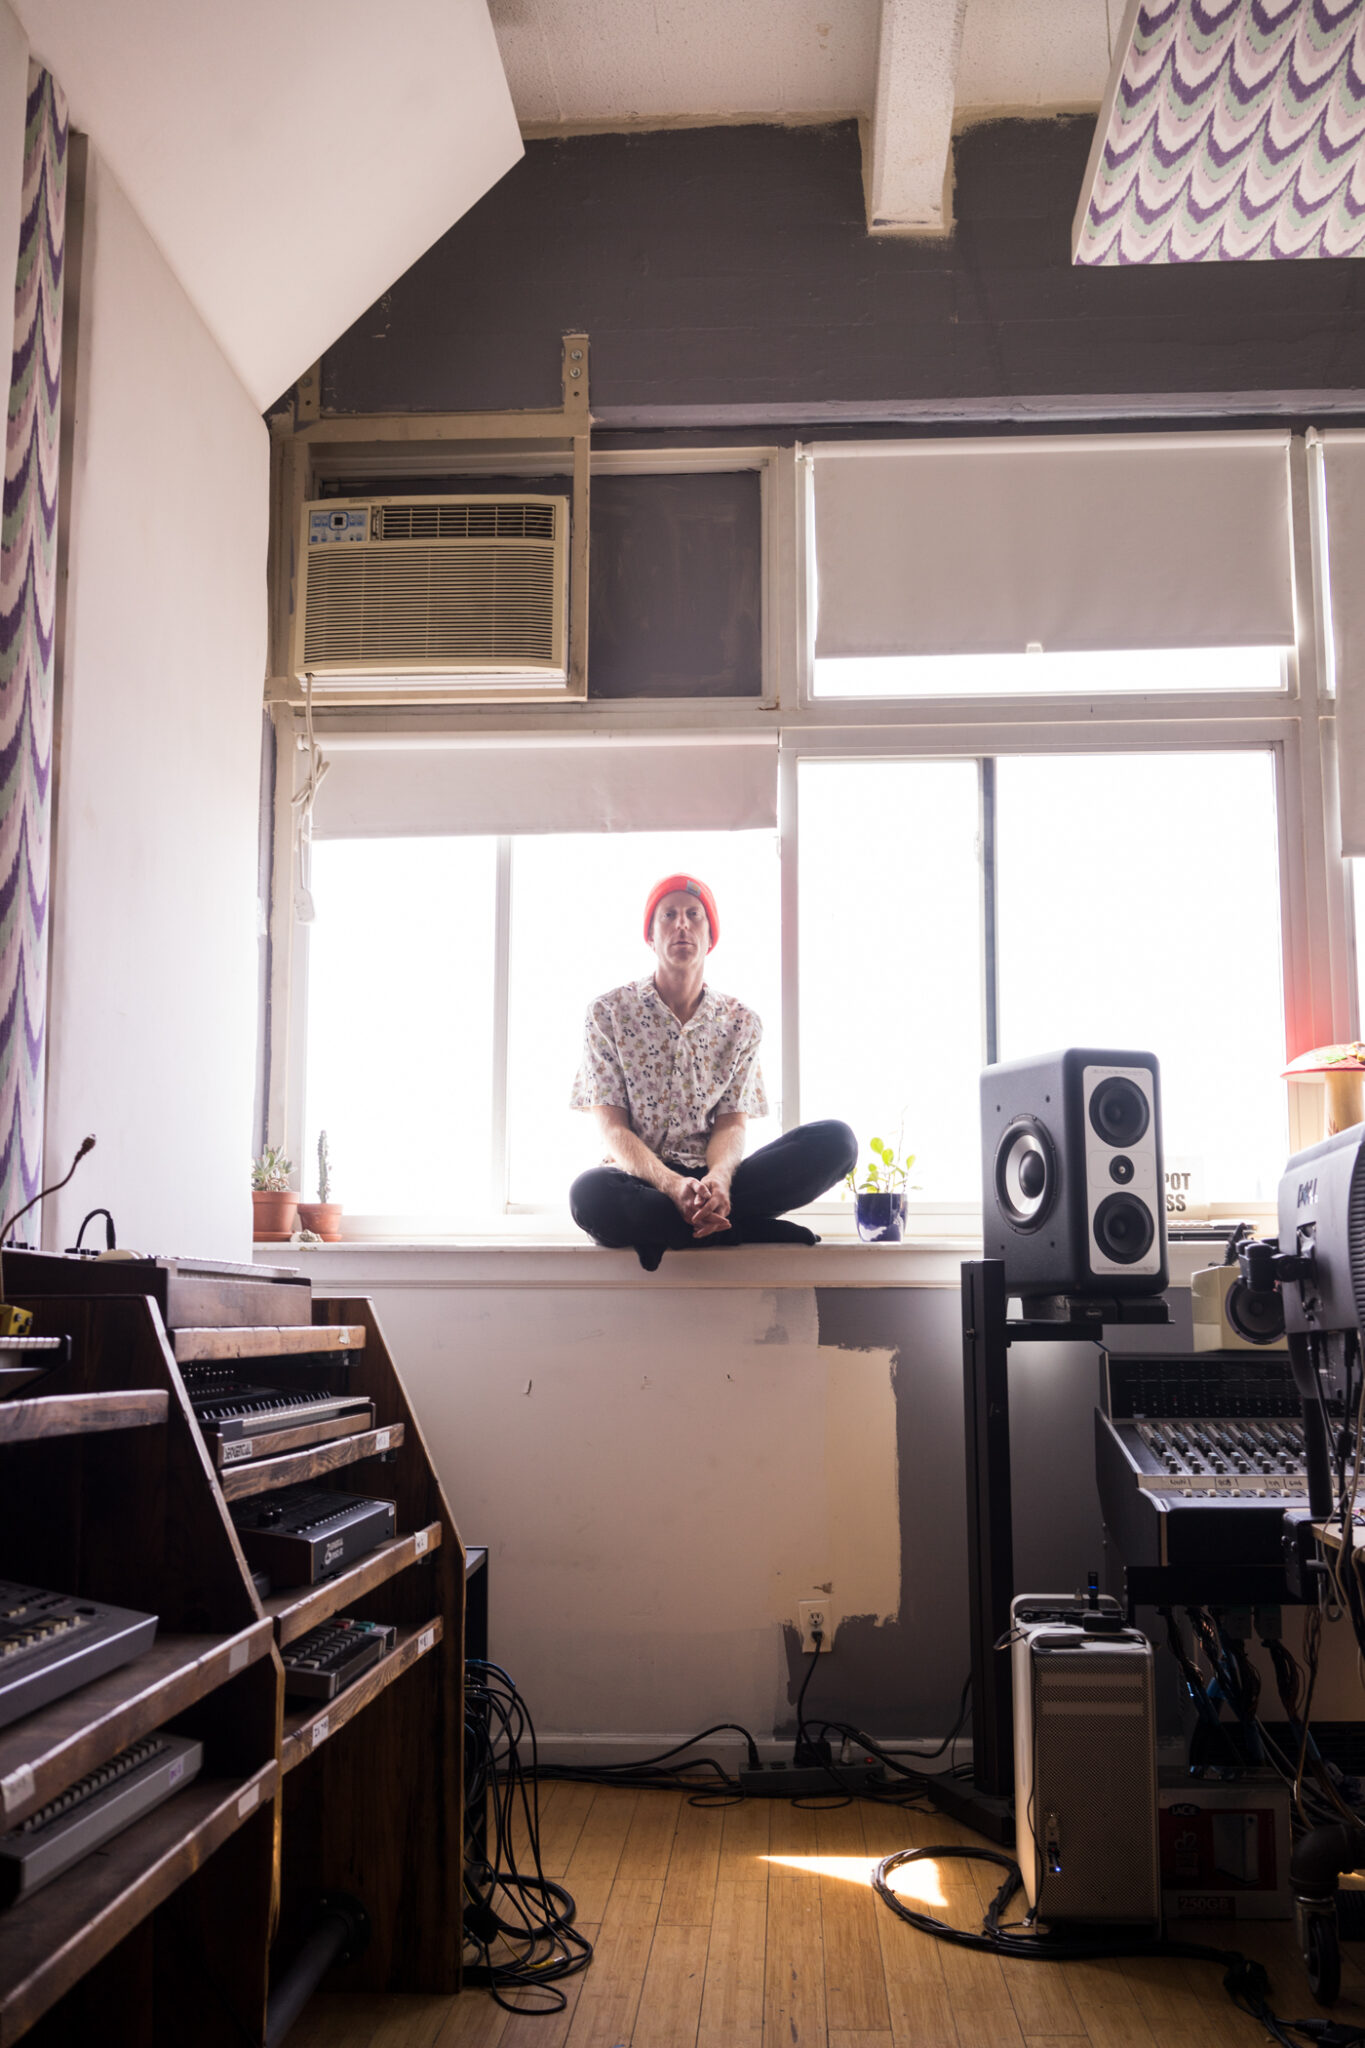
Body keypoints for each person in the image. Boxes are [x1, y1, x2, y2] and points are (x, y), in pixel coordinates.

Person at [569, 874, 857, 1270]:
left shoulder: (741, 1022)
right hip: (642, 1182)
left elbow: (731, 1125)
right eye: (668, 915)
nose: (681, 924)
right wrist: (672, 1186)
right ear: (650, 936)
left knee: (837, 1141)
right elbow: (613, 1129)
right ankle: (737, 1229)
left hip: (712, 1180)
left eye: (694, 915)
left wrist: (720, 1179)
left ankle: (681, 1227)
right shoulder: (607, 1013)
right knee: (588, 1196)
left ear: (710, 936)